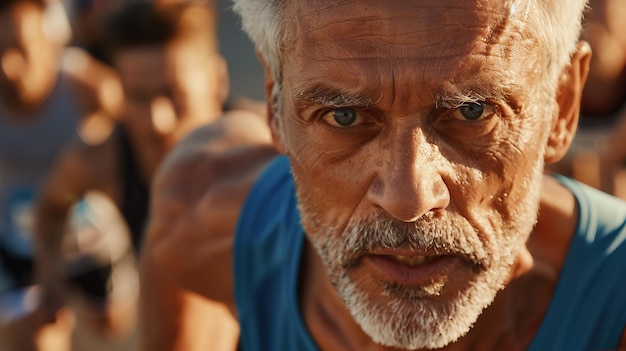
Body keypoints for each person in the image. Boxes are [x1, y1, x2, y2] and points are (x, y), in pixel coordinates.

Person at [141, 0, 626, 350]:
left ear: (562, 105)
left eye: (473, 112)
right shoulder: (202, 212)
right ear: (274, 101)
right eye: (345, 116)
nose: (409, 196)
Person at [32, 0, 241, 348]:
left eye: (173, 95)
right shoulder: (100, 160)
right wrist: (51, 280)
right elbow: (54, 205)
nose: (157, 121)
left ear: (217, 81)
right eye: (138, 97)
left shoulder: (259, 151)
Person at [0, 0, 122, 349]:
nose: (8, 66)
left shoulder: (89, 88)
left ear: (51, 43)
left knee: (111, 327)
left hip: (86, 233)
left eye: (20, 49)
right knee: (36, 338)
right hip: (16, 240)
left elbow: (130, 145)